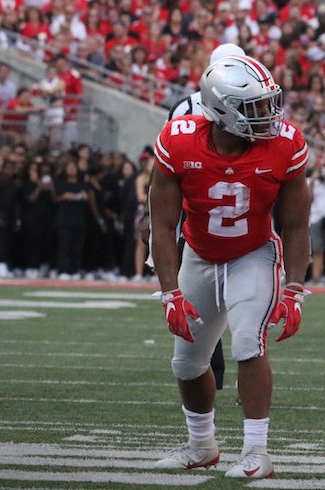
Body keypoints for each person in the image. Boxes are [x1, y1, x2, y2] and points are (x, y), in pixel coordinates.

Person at [150, 54, 310, 478]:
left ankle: (257, 452)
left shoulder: (284, 144)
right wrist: (170, 292)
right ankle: (202, 446)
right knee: (186, 363)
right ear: (221, 109)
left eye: (268, 103)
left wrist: (294, 288)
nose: (268, 116)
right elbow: (162, 225)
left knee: (247, 344)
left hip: (253, 253)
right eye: (255, 106)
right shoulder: (179, 141)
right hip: (199, 254)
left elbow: (295, 224)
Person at [164, 43, 245, 391]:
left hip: (240, 211)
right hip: (197, 213)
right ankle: (204, 368)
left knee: (244, 301)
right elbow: (166, 164)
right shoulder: (185, 108)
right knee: (201, 298)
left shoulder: (252, 99)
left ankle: (243, 371)